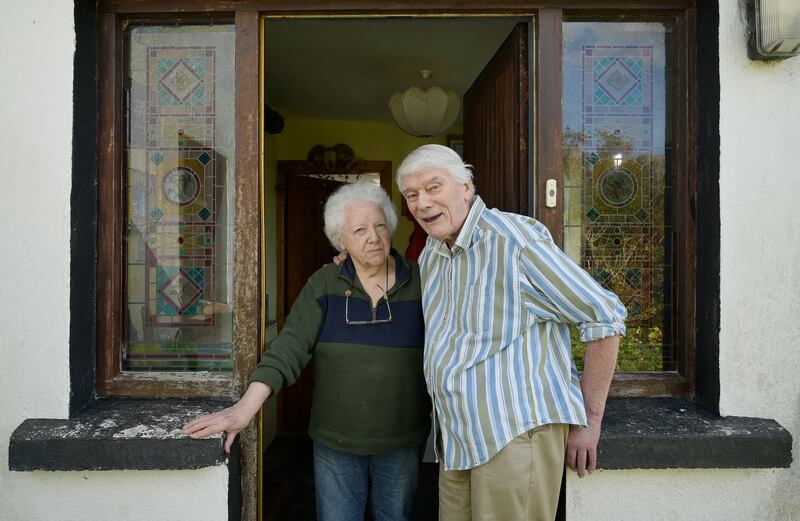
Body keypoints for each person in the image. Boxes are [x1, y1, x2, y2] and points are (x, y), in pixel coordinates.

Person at [396, 144, 627, 521]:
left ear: (466, 187)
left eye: (433, 187)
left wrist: (591, 421)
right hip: (457, 439)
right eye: (412, 194)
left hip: (514, 436)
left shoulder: (514, 240)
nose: (422, 203)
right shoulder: (431, 254)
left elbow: (604, 316)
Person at [184, 182, 430, 521]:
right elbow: (288, 349)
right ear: (340, 240)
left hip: (402, 440)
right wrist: (245, 409)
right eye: (359, 230)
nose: (373, 237)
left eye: (379, 225)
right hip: (336, 441)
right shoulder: (324, 284)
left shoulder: (424, 280)